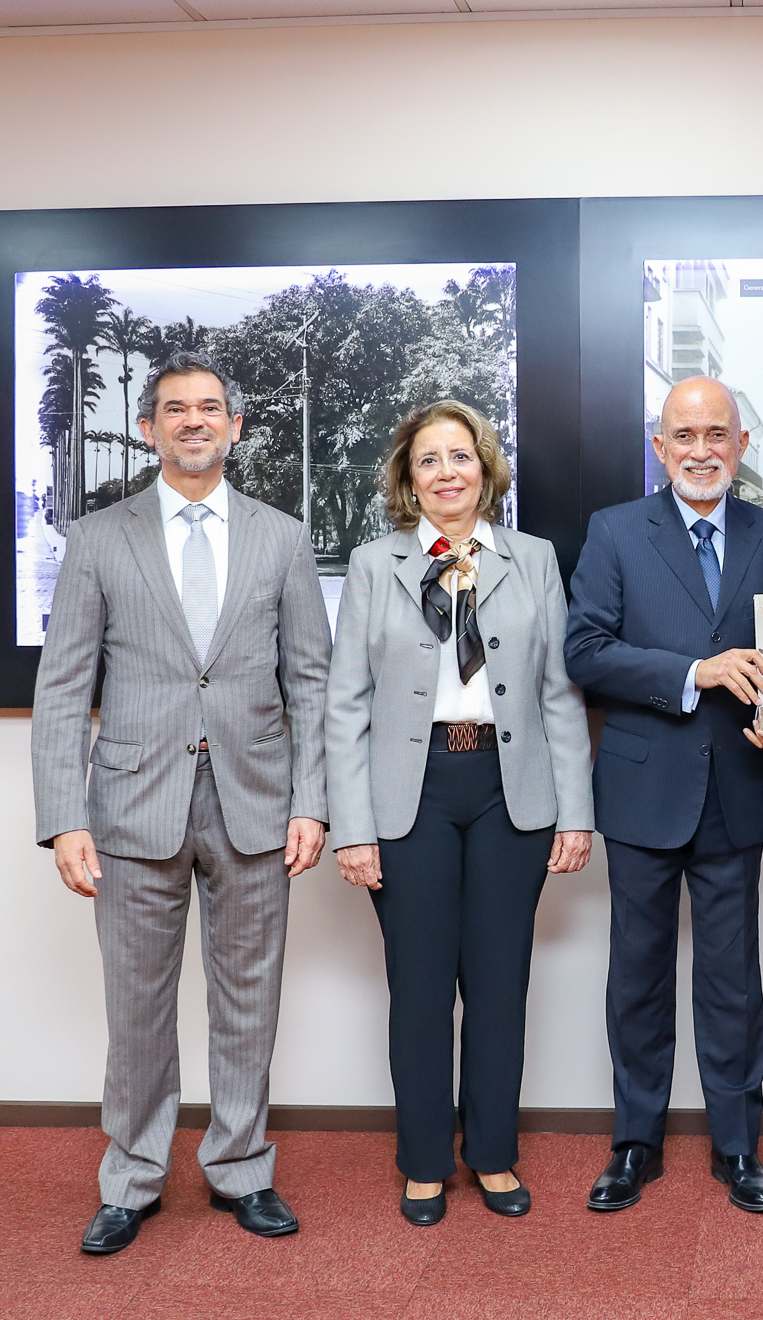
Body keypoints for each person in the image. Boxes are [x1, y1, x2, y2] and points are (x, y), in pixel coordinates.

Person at [30, 349, 331, 1256]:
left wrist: (311, 802)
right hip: (129, 806)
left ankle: (242, 1168)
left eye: (210, 408)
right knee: (136, 1006)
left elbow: (310, 682)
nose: (194, 420)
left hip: (255, 800)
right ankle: (131, 1179)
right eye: (175, 409)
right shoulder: (98, 538)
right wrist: (65, 816)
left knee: (250, 999)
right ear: (149, 427)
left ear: (236, 427)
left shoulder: (282, 535)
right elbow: (62, 687)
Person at [326, 400, 594, 1225]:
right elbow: (345, 706)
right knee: (418, 986)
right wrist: (354, 828)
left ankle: (493, 1155)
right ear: (410, 480)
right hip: (411, 794)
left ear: (486, 468)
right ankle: (424, 1161)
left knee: (500, 981)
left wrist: (575, 813)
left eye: (461, 455)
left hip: (512, 791)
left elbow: (559, 692)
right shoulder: (375, 565)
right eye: (429, 460)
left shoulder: (534, 558)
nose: (448, 472)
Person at [564, 375, 763, 1215]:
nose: (701, 449)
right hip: (640, 788)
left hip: (736, 784)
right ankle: (635, 1142)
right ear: (659, 448)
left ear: (740, 445)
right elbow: (585, 652)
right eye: (684, 435)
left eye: (717, 434)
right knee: (637, 974)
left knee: (734, 978)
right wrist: (695, 673)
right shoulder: (616, 530)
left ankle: (739, 1147)